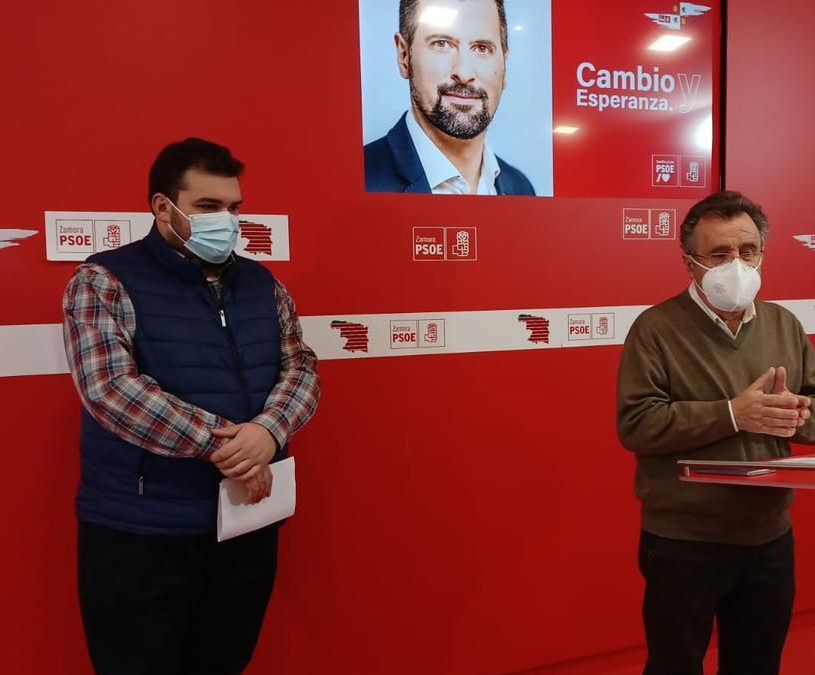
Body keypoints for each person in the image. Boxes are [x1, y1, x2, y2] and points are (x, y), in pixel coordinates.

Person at [62, 137, 321, 674]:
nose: (225, 220)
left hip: (245, 525)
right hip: (142, 534)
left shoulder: (262, 283)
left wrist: (269, 432)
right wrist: (227, 443)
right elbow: (110, 389)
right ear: (164, 207)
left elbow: (301, 367)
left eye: (233, 208)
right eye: (207, 207)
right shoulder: (104, 280)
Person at [616, 190, 815, 675]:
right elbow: (637, 424)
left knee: (757, 664)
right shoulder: (655, 329)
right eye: (719, 254)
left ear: (762, 254)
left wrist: (795, 415)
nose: (736, 264)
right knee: (675, 665)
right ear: (689, 262)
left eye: (747, 251)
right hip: (683, 541)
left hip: (769, 538)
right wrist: (733, 414)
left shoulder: (784, 323)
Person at [363, 0, 535, 195]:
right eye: (442, 44)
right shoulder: (358, 180)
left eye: (481, 48)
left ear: (505, 65)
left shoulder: (520, 187)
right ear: (404, 56)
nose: (463, 72)